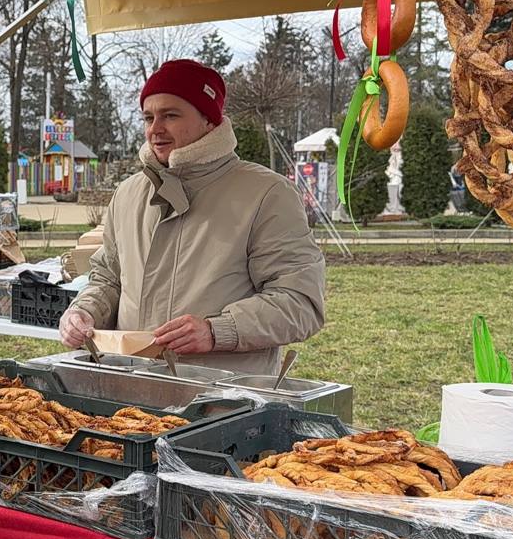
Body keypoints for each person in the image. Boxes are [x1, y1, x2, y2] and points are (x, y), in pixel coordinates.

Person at [59, 59, 325, 375]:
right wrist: (85, 311)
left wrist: (217, 330)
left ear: (209, 121)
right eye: (148, 117)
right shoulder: (128, 194)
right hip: (129, 389)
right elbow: (108, 278)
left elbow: (300, 303)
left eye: (170, 115)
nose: (155, 129)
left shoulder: (267, 194)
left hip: (224, 399)